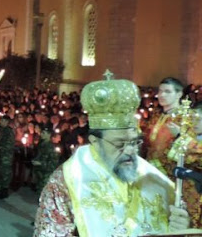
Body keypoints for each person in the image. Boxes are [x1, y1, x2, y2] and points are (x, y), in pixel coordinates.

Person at [34, 71, 190, 236]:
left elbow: (172, 219)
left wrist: (179, 227)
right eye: (119, 143)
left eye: (134, 142)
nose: (130, 150)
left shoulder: (149, 175)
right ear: (95, 141)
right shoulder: (68, 181)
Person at [145, 77, 184, 174]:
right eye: (160, 91)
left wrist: (180, 135)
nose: (161, 95)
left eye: (167, 91)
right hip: (150, 168)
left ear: (179, 94)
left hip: (171, 173)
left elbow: (195, 149)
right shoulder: (156, 115)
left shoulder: (187, 118)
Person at [31, 128, 59, 194]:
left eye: (44, 133)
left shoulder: (51, 147)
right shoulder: (41, 144)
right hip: (39, 170)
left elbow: (53, 162)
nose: (41, 135)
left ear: (49, 135)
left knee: (44, 191)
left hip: (46, 172)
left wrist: (41, 163)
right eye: (41, 133)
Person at [0, 115, 15, 199]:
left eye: (2, 121)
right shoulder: (2, 129)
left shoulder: (9, 131)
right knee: (1, 173)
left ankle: (4, 191)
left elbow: (10, 145)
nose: (1, 122)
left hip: (6, 156)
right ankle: (1, 190)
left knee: (5, 173)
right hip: (2, 155)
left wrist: (0, 147)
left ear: (6, 122)